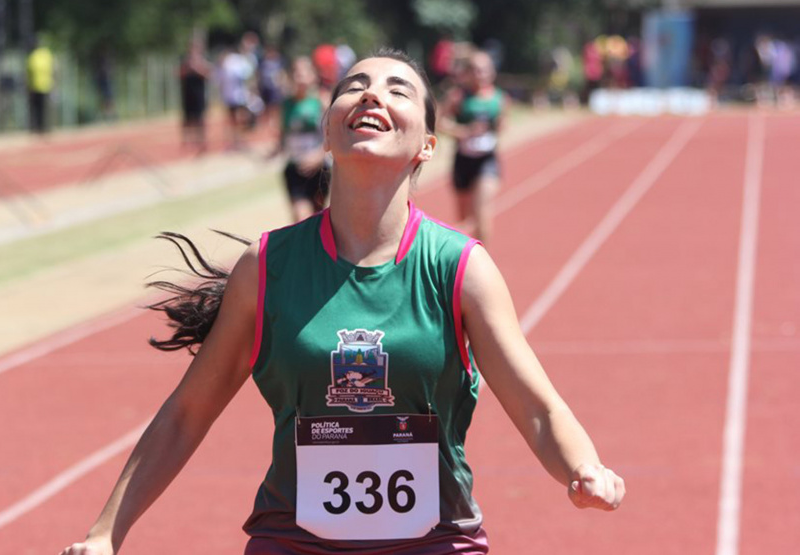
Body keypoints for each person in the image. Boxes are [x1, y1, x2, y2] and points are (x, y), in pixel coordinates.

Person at [60, 48, 624, 555]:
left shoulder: (459, 268)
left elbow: (539, 408)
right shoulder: (267, 267)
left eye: (398, 89)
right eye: (354, 86)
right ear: (328, 132)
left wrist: (583, 467)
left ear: (428, 145)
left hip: (434, 544)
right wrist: (105, 534)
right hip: (292, 543)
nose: (372, 93)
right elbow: (187, 414)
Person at [438, 49, 508, 246]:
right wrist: (464, 131)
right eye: (477, 70)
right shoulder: (458, 97)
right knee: (464, 218)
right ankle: (466, 255)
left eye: (486, 70)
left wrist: (495, 129)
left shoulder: (499, 98)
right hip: (462, 161)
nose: (481, 74)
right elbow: (440, 123)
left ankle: (482, 260)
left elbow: (503, 124)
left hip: (487, 161)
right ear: (468, 72)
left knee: (482, 210)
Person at [268, 56, 330, 222]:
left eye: (304, 72)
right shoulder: (285, 105)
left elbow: (332, 137)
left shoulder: (322, 102)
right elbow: (283, 136)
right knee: (300, 217)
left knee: (317, 220)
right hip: (294, 169)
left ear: (313, 76)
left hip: (319, 171)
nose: (300, 77)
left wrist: (318, 156)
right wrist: (273, 152)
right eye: (296, 72)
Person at [178, 36, 212, 152]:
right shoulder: (184, 60)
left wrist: (196, 68)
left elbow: (208, 74)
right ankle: (186, 141)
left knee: (200, 118)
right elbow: (178, 74)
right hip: (187, 93)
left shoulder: (203, 60)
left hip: (199, 93)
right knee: (187, 118)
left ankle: (201, 141)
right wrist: (188, 67)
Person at [26, 39, 54, 134]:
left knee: (36, 109)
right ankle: (45, 127)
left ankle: (36, 127)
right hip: (46, 85)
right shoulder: (47, 54)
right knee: (45, 109)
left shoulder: (33, 56)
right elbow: (53, 69)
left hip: (35, 86)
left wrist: (28, 85)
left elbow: (29, 72)